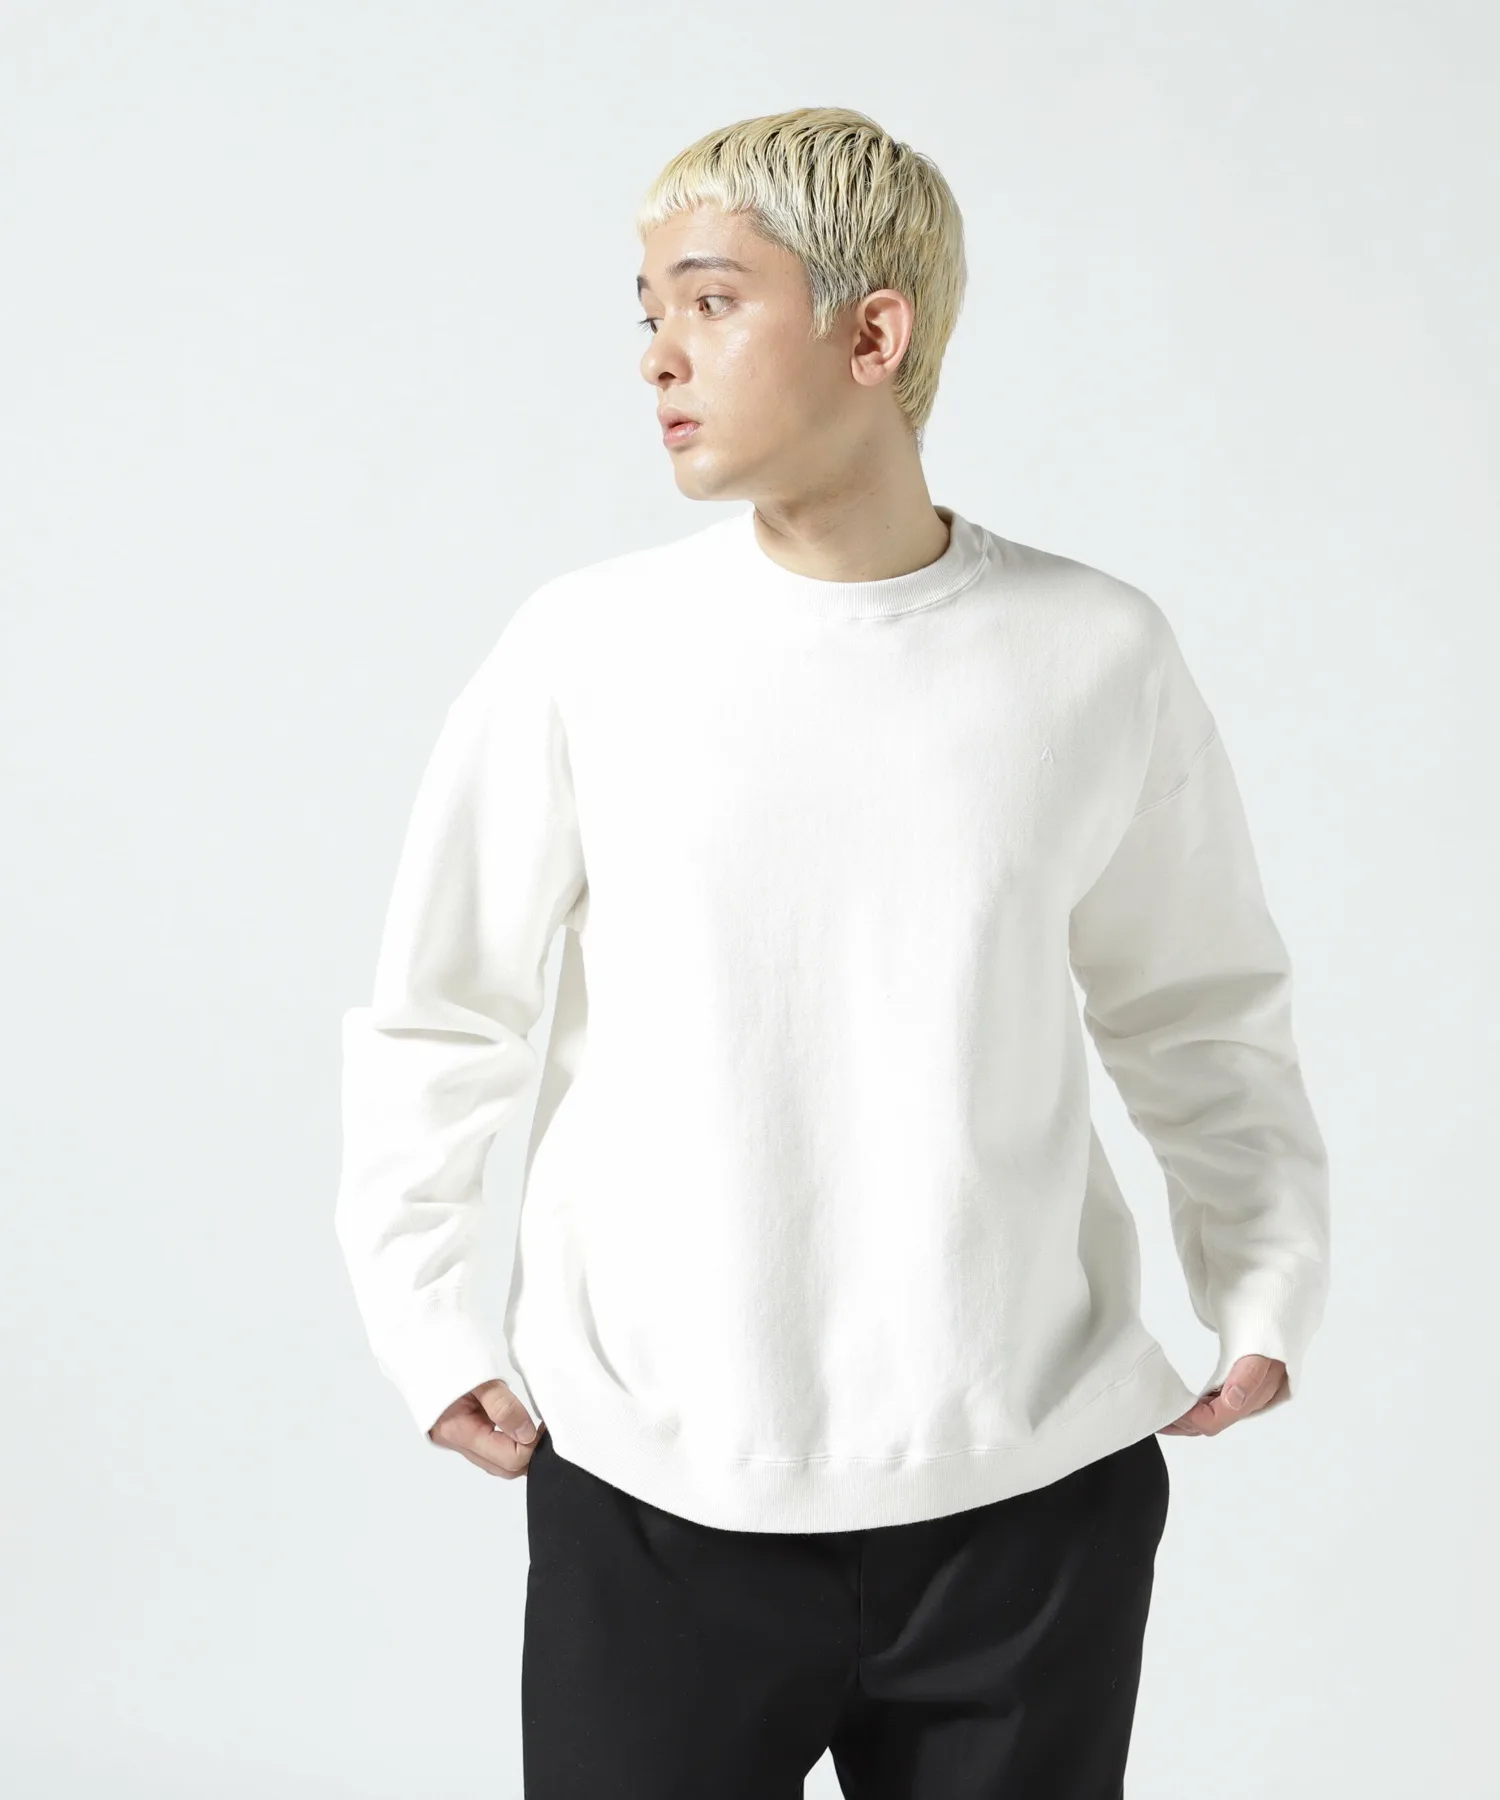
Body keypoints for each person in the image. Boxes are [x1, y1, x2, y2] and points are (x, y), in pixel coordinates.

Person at [334, 105, 1330, 1798]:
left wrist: (1266, 1279)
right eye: (648, 309)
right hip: (653, 1490)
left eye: (712, 301)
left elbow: (1199, 1008)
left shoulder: (1094, 652)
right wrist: (426, 1324)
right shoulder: (588, 649)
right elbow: (444, 1017)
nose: (658, 354)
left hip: (1031, 1500)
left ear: (875, 334)